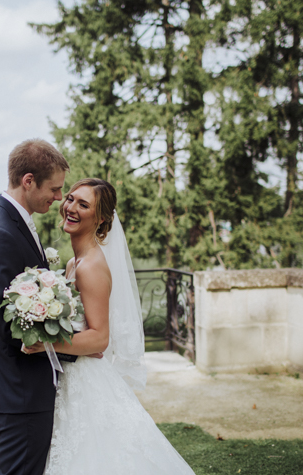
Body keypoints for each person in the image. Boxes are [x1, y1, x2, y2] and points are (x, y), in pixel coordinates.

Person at [23, 178, 196, 474]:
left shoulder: (90, 267)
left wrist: (46, 343)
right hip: (71, 376)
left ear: (101, 219)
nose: (71, 207)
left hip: (86, 382)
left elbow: (99, 339)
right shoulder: (74, 264)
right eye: (70, 199)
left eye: (83, 204)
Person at [0, 138, 74, 475]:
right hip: (18, 387)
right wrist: (74, 344)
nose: (57, 197)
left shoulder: (13, 221)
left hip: (22, 384)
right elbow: (8, 326)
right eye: (53, 189)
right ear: (28, 181)